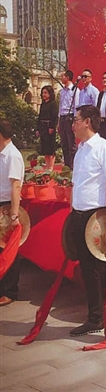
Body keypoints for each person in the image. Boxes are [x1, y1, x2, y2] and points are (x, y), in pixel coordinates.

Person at [69, 105, 106, 350]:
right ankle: (94, 318)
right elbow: (78, 184)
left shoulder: (104, 148)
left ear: (88, 122)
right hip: (79, 216)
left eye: (76, 120)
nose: (73, 125)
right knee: (87, 270)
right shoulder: (81, 149)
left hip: (98, 218)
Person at [0, 119, 24, 306]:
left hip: (8, 206)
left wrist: (14, 214)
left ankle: (10, 290)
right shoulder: (2, 154)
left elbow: (16, 185)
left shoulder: (13, 155)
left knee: (8, 249)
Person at [58, 70, 80, 169]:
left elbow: (76, 106)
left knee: (71, 143)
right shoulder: (62, 91)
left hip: (70, 117)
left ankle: (74, 166)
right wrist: (59, 121)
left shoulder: (75, 90)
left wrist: (75, 121)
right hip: (62, 117)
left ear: (67, 77)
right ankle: (66, 166)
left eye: (62, 76)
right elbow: (60, 106)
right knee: (64, 143)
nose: (61, 78)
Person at [37, 85, 58, 171]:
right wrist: (38, 129)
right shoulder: (43, 104)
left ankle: (51, 167)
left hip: (50, 126)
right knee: (45, 147)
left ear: (50, 94)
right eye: (43, 93)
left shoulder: (53, 104)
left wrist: (52, 127)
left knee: (50, 147)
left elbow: (54, 116)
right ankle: (47, 166)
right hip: (43, 127)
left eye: (46, 93)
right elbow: (39, 117)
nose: (44, 95)